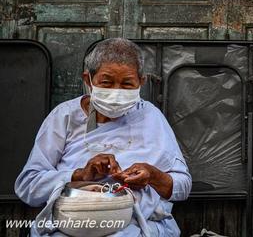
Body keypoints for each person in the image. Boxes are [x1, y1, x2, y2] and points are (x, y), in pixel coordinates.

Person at [15, 38, 191, 236]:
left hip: (134, 224)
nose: (116, 92)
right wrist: (79, 176)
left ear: (141, 82)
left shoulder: (151, 117)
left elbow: (182, 186)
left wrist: (152, 176)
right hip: (72, 223)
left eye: (127, 84)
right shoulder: (65, 116)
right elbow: (28, 187)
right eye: (106, 82)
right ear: (88, 80)